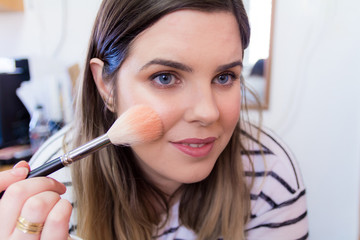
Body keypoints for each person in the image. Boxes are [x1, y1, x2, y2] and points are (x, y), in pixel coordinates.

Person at [0, 0, 309, 239]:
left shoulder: (267, 170)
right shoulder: (53, 195)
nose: (207, 112)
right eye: (165, 77)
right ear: (106, 85)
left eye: (225, 76)